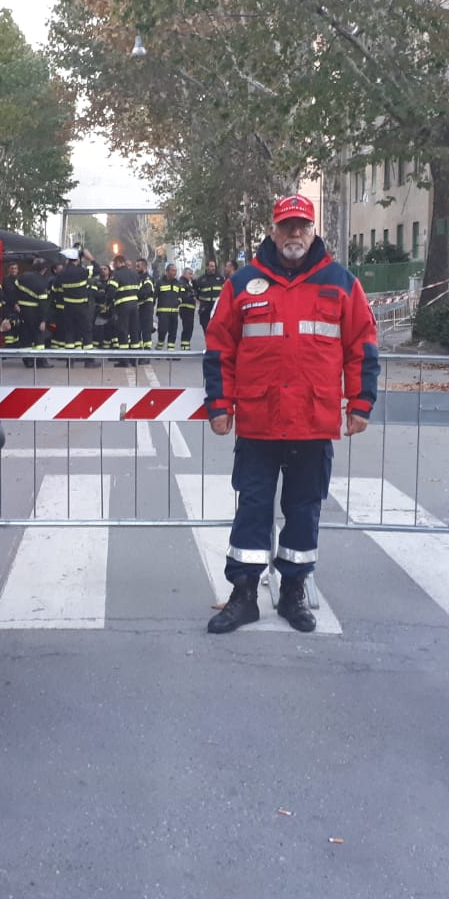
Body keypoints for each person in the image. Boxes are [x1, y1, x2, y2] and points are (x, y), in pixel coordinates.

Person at [203, 194, 379, 633]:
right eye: (286, 226)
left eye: (302, 226)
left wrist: (361, 402)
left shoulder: (340, 282)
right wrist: (219, 404)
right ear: (272, 230)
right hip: (260, 423)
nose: (294, 234)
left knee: (304, 511)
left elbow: (362, 345)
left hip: (311, 422)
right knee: (253, 509)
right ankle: (243, 595)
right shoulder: (243, 283)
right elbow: (220, 347)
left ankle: (293, 593)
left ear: (313, 230)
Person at [53, 248, 93, 359]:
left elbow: (55, 287)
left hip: (68, 307)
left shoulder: (62, 273)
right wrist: (90, 259)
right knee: (86, 330)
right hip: (81, 307)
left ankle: (70, 360)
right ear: (77, 260)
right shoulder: (82, 271)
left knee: (69, 331)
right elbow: (97, 270)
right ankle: (89, 360)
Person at [15, 257, 52, 367]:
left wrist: (16, 303)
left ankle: (28, 361)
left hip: (22, 311)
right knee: (39, 336)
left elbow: (14, 290)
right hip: (35, 313)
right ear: (44, 269)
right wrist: (43, 320)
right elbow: (43, 304)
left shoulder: (23, 276)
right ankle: (41, 362)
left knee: (25, 335)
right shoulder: (42, 282)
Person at [109, 254, 141, 366]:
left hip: (122, 306)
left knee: (123, 331)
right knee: (134, 332)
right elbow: (139, 290)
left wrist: (108, 303)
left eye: (114, 264)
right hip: (134, 306)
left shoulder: (116, 274)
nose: (113, 266)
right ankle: (134, 360)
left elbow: (111, 291)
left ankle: (124, 360)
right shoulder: (134, 274)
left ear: (118, 262)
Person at [154, 263, 184, 350]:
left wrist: (179, 301)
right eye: (173, 270)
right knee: (162, 331)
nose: (175, 273)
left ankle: (171, 352)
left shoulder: (177, 283)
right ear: (167, 271)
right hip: (163, 313)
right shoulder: (160, 282)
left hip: (174, 312)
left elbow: (181, 295)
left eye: (176, 271)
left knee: (173, 332)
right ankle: (159, 349)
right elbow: (154, 295)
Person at [195, 260, 225, 331]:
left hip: (217, 308)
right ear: (207, 267)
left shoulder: (220, 278)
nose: (213, 268)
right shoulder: (201, 279)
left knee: (217, 329)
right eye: (211, 266)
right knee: (206, 328)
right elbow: (197, 293)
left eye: (214, 266)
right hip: (205, 308)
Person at [135, 258, 156, 358]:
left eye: (138, 266)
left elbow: (145, 292)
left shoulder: (148, 279)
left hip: (146, 308)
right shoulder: (137, 278)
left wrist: (134, 296)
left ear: (144, 266)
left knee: (146, 332)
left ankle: (146, 356)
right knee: (137, 330)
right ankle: (139, 354)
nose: (136, 268)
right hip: (138, 308)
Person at [177, 267, 198, 350]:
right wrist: (191, 296)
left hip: (190, 309)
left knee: (189, 328)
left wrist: (193, 280)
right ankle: (184, 347)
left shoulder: (188, 283)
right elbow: (182, 295)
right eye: (190, 274)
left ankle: (186, 346)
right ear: (184, 273)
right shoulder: (182, 283)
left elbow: (196, 289)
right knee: (187, 328)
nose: (191, 276)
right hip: (185, 308)